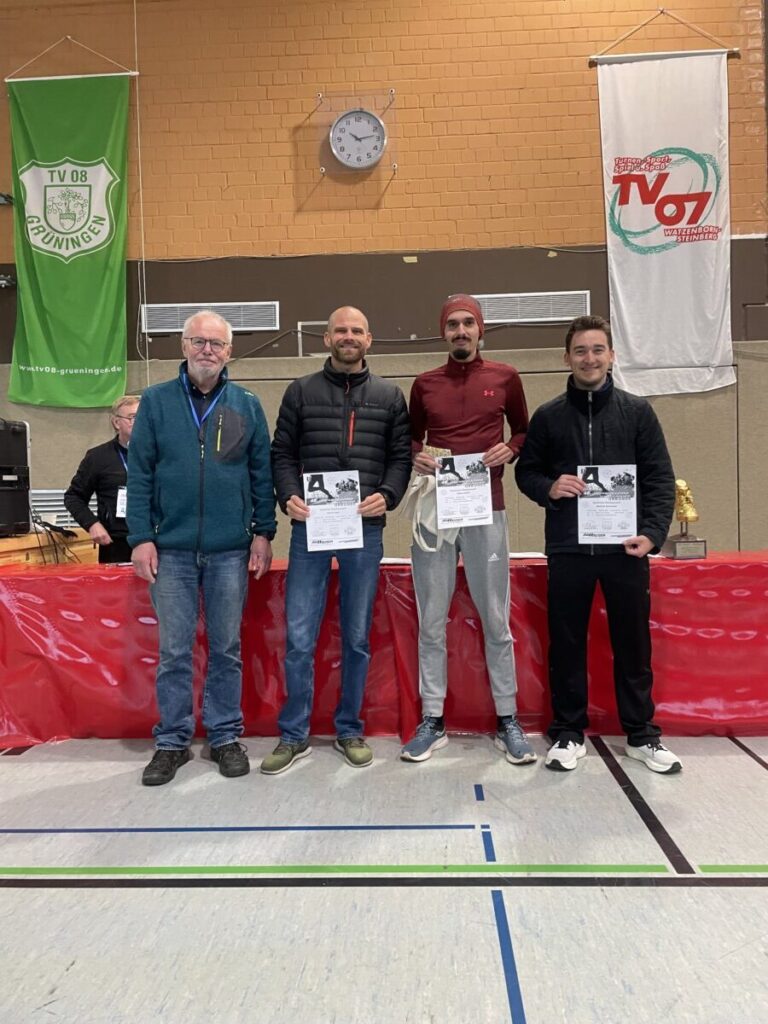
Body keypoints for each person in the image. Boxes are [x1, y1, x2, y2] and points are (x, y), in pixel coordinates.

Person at [515, 314, 681, 774]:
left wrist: (652, 533)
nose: (589, 358)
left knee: (633, 644)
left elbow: (659, 478)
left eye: (597, 350)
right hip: (569, 550)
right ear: (566, 358)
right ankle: (568, 733)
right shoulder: (549, 416)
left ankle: (642, 735)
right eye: (580, 351)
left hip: (625, 549)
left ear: (611, 355)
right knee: (566, 643)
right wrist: (550, 487)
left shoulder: (638, 412)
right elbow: (526, 472)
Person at [127, 310, 276, 786]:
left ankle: (224, 736)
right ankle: (172, 741)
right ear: (183, 346)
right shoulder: (155, 402)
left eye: (216, 343)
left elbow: (261, 474)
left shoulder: (246, 404)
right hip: (170, 550)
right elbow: (140, 473)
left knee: (227, 648)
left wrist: (263, 531)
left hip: (230, 550)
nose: (207, 349)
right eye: (199, 341)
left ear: (229, 351)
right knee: (174, 650)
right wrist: (140, 537)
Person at [262, 306, 411, 775]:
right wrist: (288, 495)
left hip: (363, 531)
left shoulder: (389, 395)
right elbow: (282, 454)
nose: (349, 337)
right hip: (310, 528)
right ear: (326, 338)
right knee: (299, 638)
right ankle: (294, 734)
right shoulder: (300, 391)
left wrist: (388, 494)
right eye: (340, 330)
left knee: (357, 637)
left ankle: (349, 728)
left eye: (356, 331)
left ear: (369, 339)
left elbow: (400, 457)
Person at [401, 294, 536, 765]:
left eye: (468, 323)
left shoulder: (505, 377)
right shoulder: (424, 384)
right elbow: (411, 438)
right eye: (453, 324)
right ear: (444, 332)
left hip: (486, 510)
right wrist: (416, 455)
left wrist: (511, 449)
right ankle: (432, 719)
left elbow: (524, 430)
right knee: (431, 619)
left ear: (481, 330)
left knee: (496, 618)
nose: (461, 331)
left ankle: (508, 719)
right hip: (436, 510)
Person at [64, 395, 140, 564]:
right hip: (116, 543)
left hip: (154, 540)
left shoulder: (159, 455)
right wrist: (92, 524)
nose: (140, 422)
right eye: (133, 418)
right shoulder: (98, 457)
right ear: (116, 423)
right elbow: (73, 497)